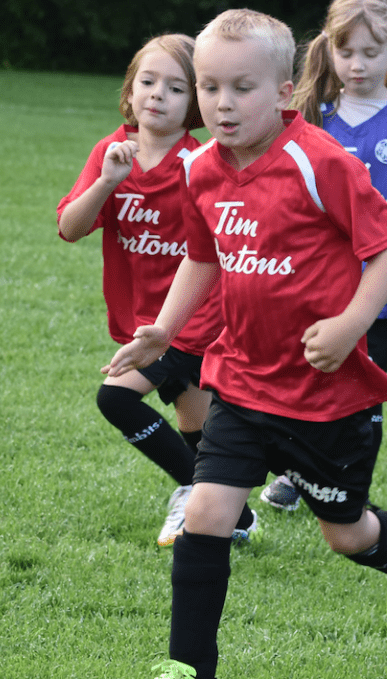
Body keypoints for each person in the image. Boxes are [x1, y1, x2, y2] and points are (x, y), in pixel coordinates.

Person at [105, 9, 387, 679]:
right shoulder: (200, 168)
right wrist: (165, 330)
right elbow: (203, 255)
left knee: (347, 536)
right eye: (208, 87)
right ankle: (187, 671)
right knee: (205, 512)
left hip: (325, 398)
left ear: (286, 91)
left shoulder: (320, 163)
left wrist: (351, 323)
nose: (221, 104)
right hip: (243, 381)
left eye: (242, 88)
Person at [56, 33, 258, 548]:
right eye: (147, 82)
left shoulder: (203, 162)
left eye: (175, 87)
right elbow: (70, 228)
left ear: (195, 103)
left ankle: (194, 494)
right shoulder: (111, 151)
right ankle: (233, 512)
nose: (157, 95)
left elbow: (222, 245)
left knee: (116, 400)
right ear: (130, 89)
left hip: (195, 317)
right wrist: (106, 181)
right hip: (140, 319)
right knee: (197, 425)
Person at [261, 0, 387, 513]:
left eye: (371, 53)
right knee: (304, 376)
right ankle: (292, 474)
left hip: (380, 288)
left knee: (360, 392)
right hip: (315, 281)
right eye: (346, 52)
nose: (357, 64)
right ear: (329, 50)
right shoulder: (311, 119)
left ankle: (349, 481)